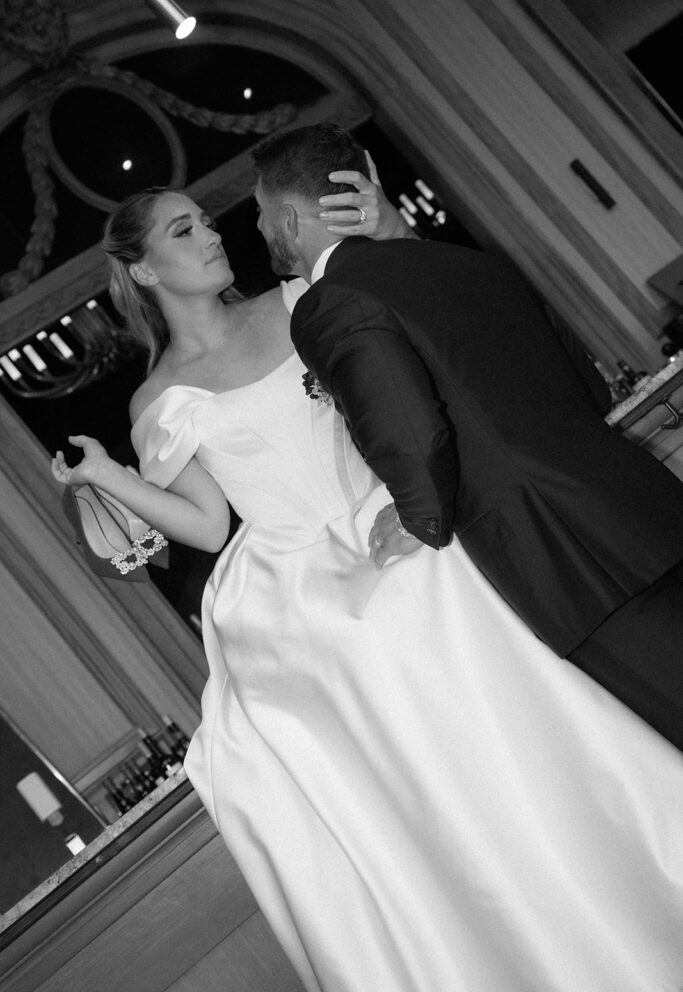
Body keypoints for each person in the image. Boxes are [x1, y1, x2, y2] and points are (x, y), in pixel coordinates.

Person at [52, 167, 683, 992]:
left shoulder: (297, 301)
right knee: (389, 714)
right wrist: (109, 477)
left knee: (513, 694)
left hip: (399, 511)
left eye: (206, 219)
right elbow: (206, 524)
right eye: (183, 230)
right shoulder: (159, 396)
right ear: (144, 270)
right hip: (296, 567)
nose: (211, 234)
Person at [252, 121, 683, 757]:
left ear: (290, 219)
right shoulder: (467, 260)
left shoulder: (330, 302)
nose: (260, 228)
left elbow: (410, 432)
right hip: (643, 506)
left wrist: (419, 517)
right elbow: (590, 389)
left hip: (568, 556)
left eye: (261, 214)